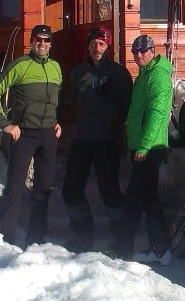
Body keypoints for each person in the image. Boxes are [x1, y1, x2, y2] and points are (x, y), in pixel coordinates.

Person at [0, 24, 62, 248]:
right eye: (38, 39)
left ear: (50, 44)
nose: (42, 43)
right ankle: (5, 237)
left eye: (46, 40)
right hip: (24, 133)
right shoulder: (20, 65)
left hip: (48, 134)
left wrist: (56, 121)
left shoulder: (56, 68)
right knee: (15, 187)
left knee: (43, 189)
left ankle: (36, 239)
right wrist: (5, 124)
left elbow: (55, 100)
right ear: (31, 41)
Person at [61, 26, 132, 252]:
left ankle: (119, 235)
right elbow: (73, 101)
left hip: (108, 141)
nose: (97, 48)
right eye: (93, 43)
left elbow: (127, 107)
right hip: (82, 139)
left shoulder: (119, 73)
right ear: (88, 46)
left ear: (108, 47)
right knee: (70, 189)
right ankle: (82, 232)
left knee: (109, 191)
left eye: (101, 44)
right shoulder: (77, 72)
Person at [109, 34, 174, 265]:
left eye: (143, 51)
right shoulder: (145, 74)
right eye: (135, 51)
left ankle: (127, 248)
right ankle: (158, 248)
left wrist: (145, 146)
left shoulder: (157, 76)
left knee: (138, 198)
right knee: (145, 198)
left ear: (152, 51)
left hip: (150, 148)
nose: (138, 55)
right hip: (142, 146)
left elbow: (157, 113)